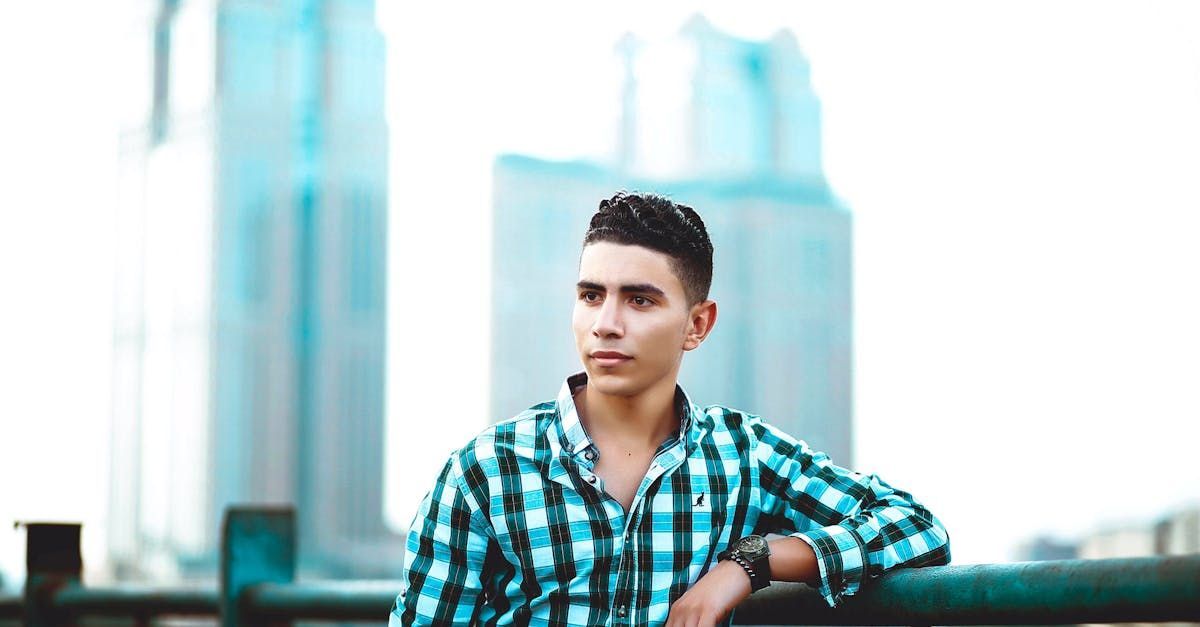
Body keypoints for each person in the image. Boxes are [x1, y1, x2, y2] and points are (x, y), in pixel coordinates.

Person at [390, 192, 950, 626]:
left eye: (639, 299)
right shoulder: (488, 470)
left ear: (697, 324)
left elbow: (916, 528)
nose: (606, 322)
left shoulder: (741, 454)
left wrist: (750, 563)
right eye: (591, 295)